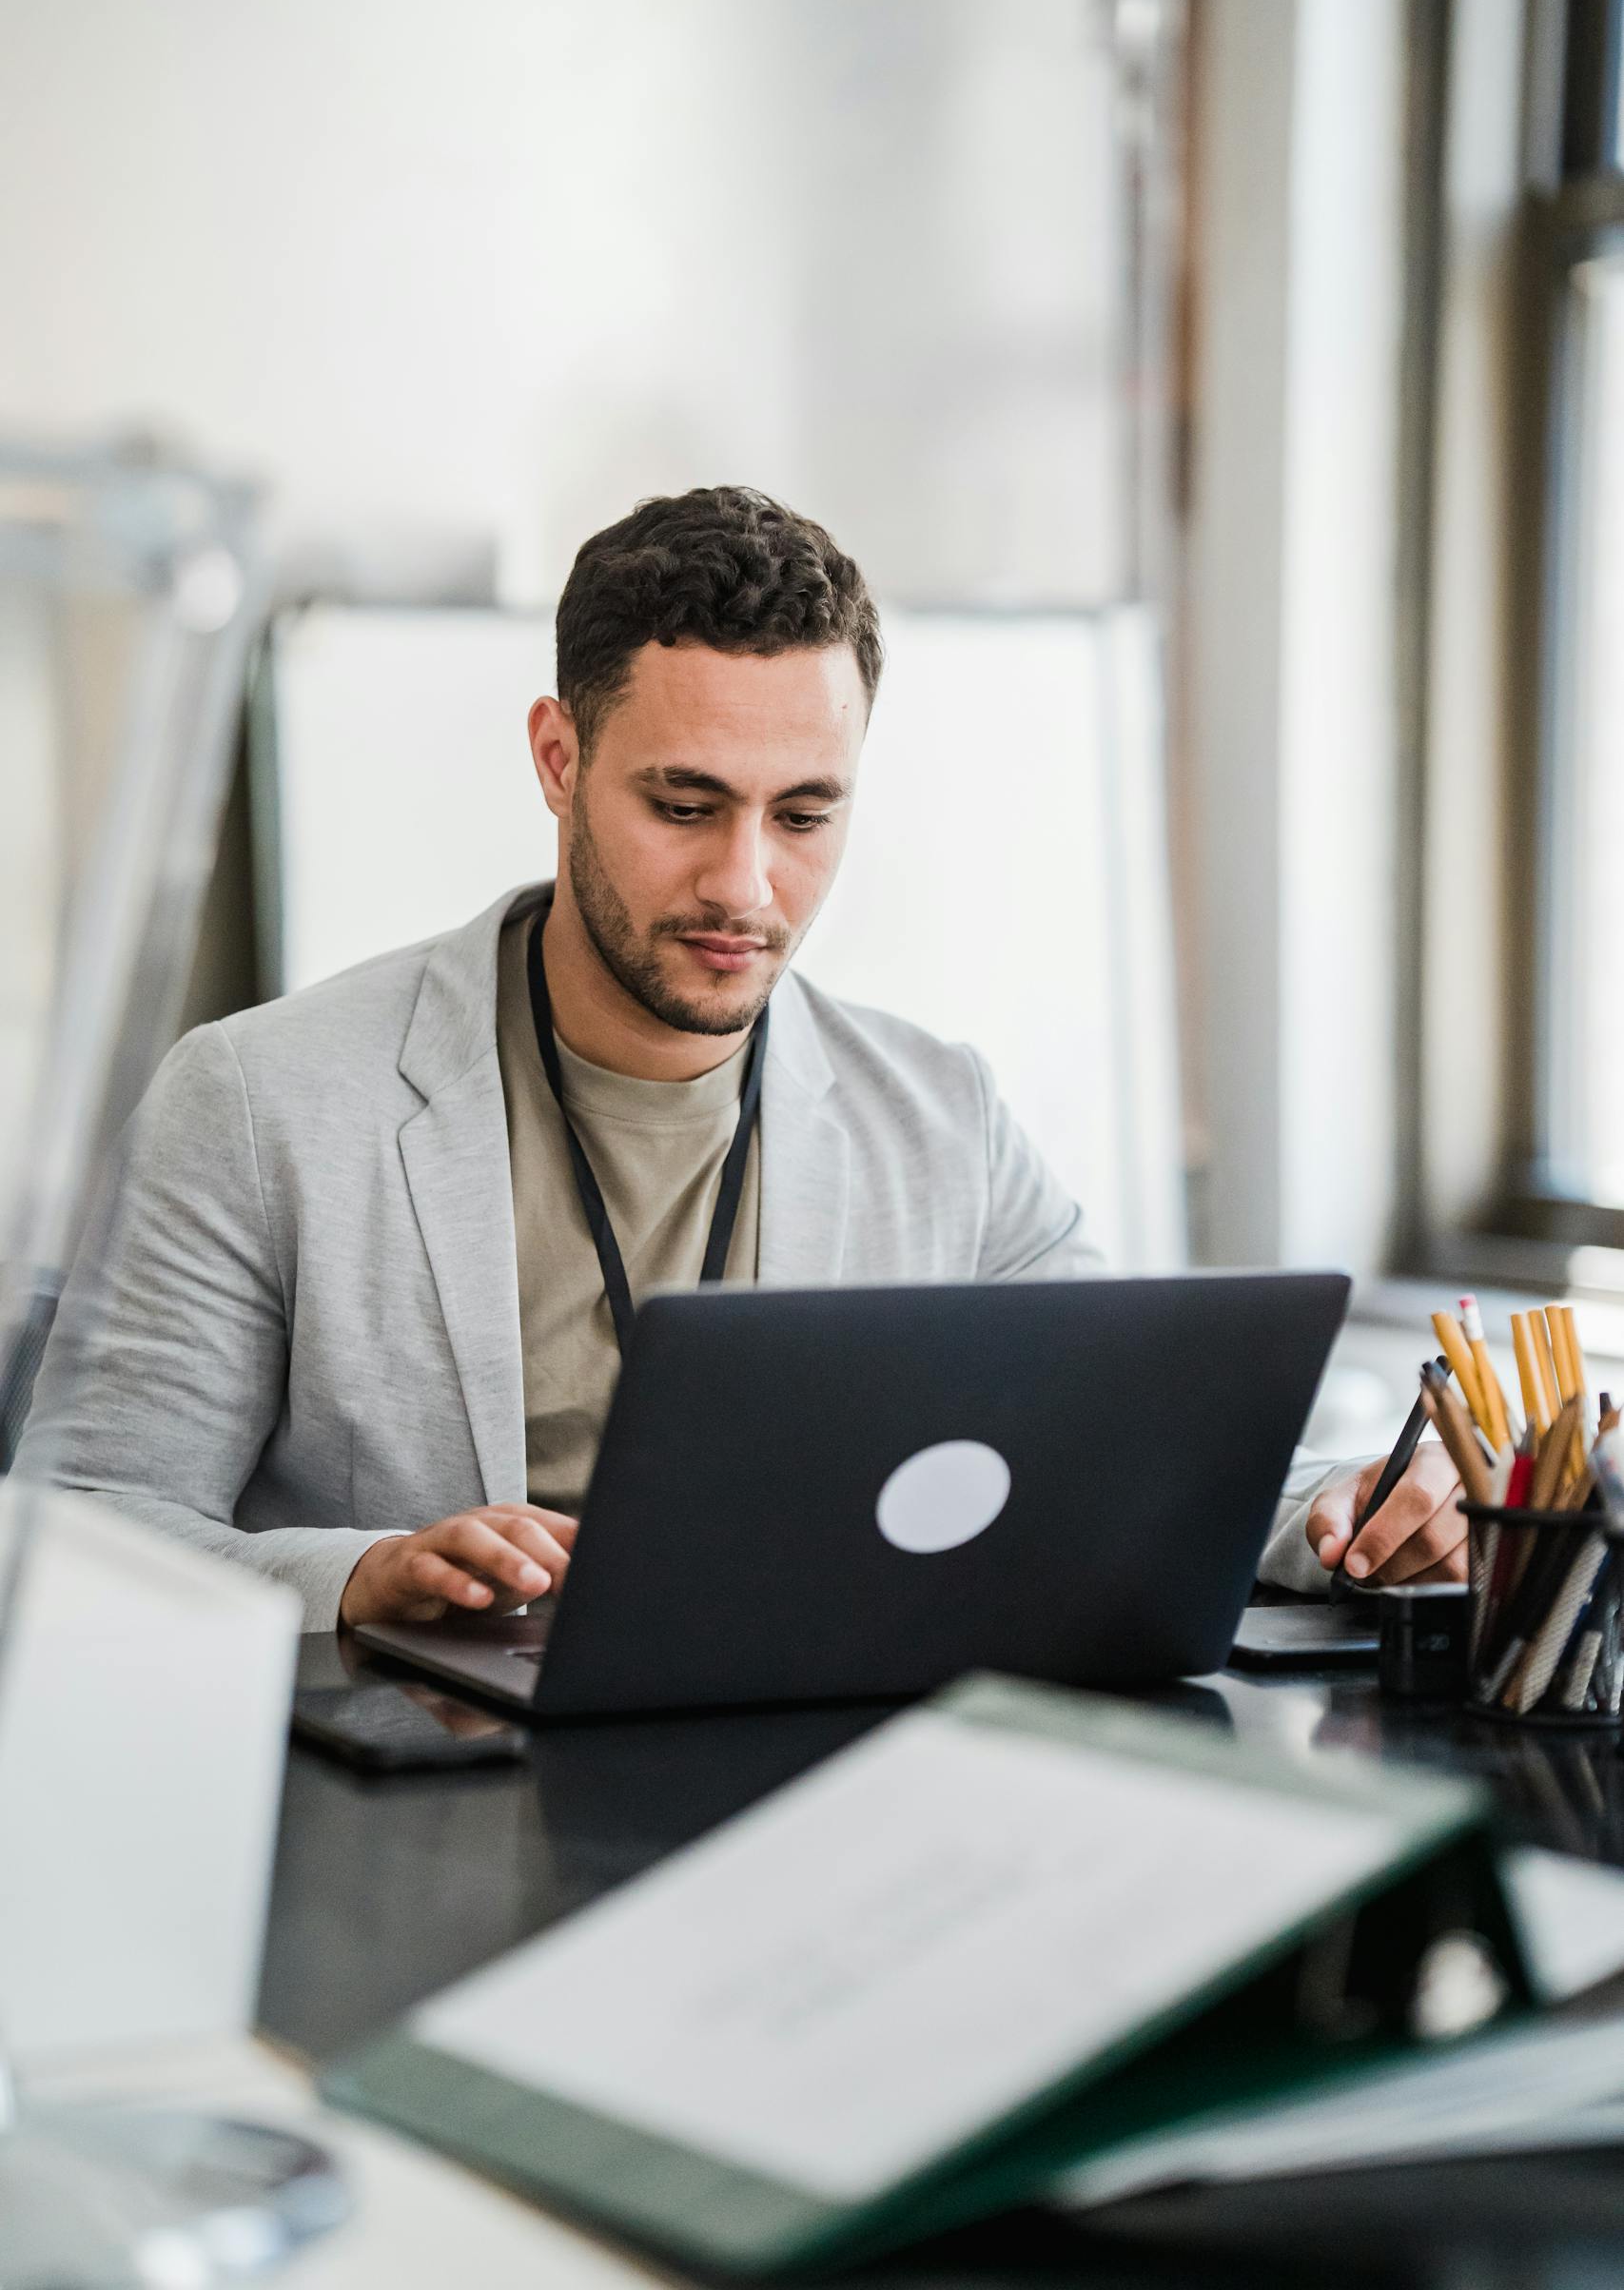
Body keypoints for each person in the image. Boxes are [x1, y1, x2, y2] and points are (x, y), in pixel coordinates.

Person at [14, 487, 1464, 1628]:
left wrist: (1350, 1512)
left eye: (804, 815)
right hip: (418, 1804)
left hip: (798, 1782)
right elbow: (75, 1526)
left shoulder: (937, 1119)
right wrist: (360, 1575)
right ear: (557, 759)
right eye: (685, 802)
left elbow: (1133, 1445)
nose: (745, 887)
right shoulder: (262, 1099)